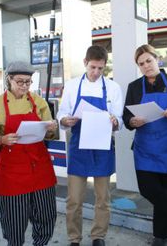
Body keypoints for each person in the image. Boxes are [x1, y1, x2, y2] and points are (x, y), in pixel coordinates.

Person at [123, 44, 167, 246]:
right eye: (141, 64)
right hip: (145, 148)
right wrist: (132, 122)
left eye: (149, 61)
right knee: (148, 189)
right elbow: (127, 116)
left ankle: (160, 236)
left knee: (166, 191)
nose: (146, 66)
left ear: (157, 59)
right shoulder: (134, 87)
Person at [0, 61, 58, 246]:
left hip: (39, 167)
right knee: (14, 221)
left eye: (28, 82)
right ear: (9, 79)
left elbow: (49, 131)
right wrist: (1, 140)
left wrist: (51, 128)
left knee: (46, 214)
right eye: (20, 82)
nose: (24, 86)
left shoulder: (38, 102)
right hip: (12, 172)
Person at [57, 45, 123, 246]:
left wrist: (115, 121)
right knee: (74, 199)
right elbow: (62, 113)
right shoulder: (72, 86)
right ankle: (74, 238)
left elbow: (119, 119)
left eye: (100, 69)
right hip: (79, 146)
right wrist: (64, 120)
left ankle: (98, 236)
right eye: (93, 67)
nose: (96, 72)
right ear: (85, 63)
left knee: (103, 198)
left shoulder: (113, 88)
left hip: (103, 147)